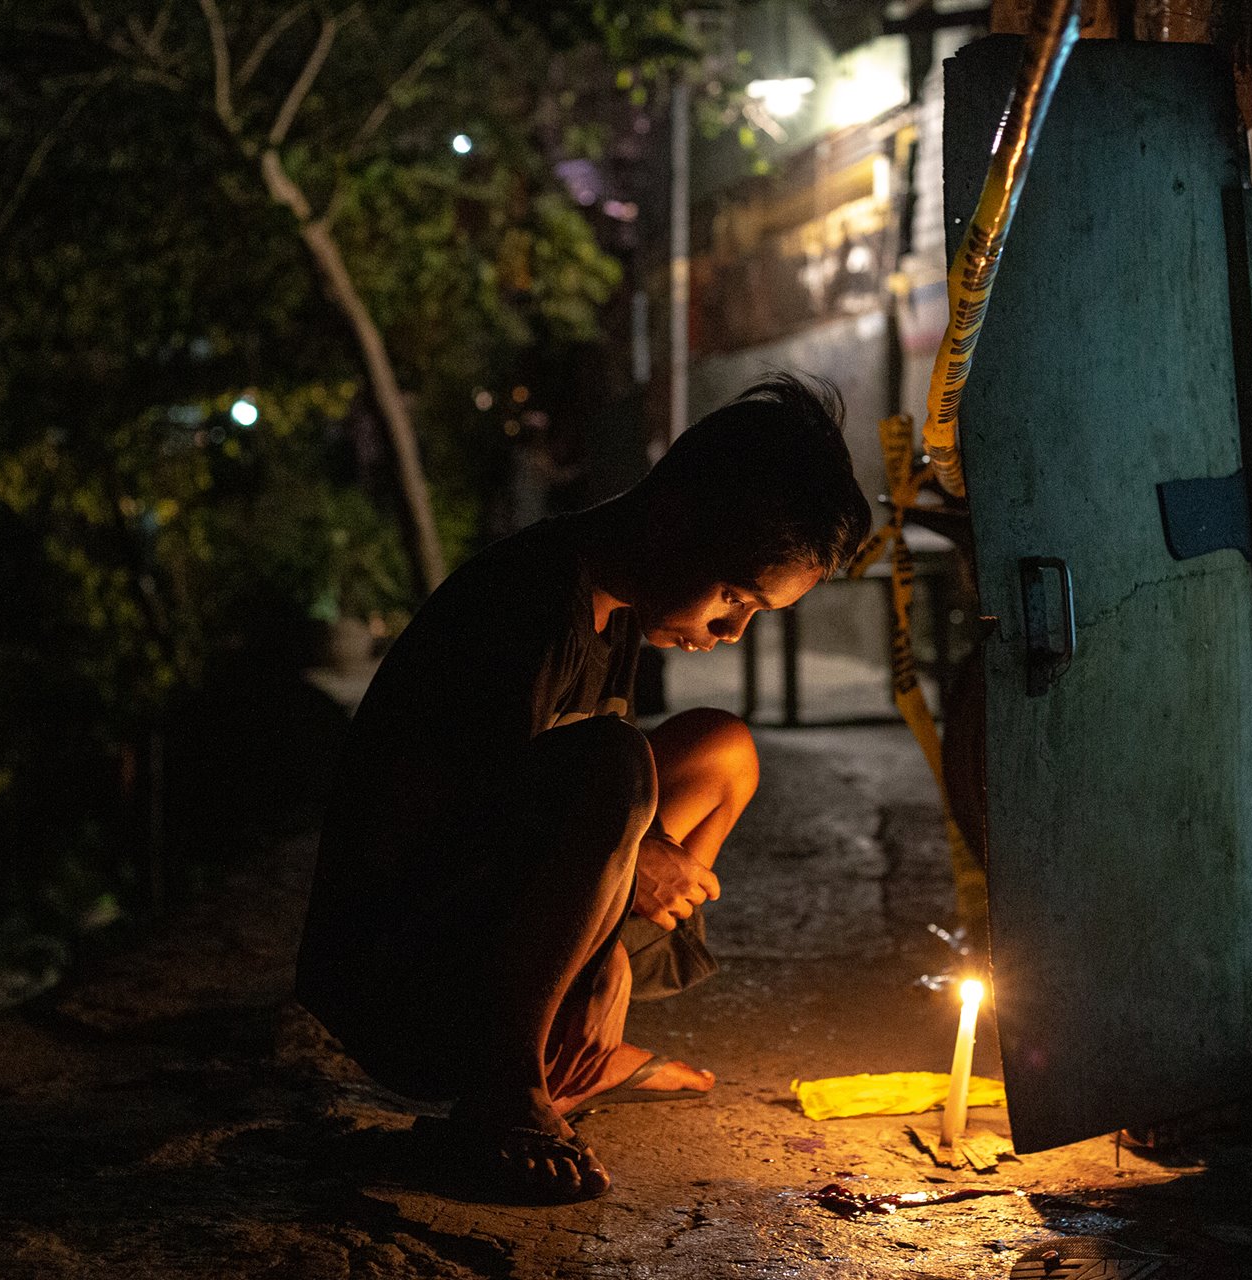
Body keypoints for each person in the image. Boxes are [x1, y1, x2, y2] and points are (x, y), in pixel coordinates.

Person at [295, 373, 872, 1202]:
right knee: (615, 761)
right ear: (674, 520)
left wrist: (619, 945)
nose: (733, 630)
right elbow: (453, 828)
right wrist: (624, 887)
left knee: (723, 752)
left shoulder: (617, 606)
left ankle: (577, 1046)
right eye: (735, 597)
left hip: (485, 925)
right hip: (398, 984)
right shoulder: (526, 604)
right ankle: (505, 1088)